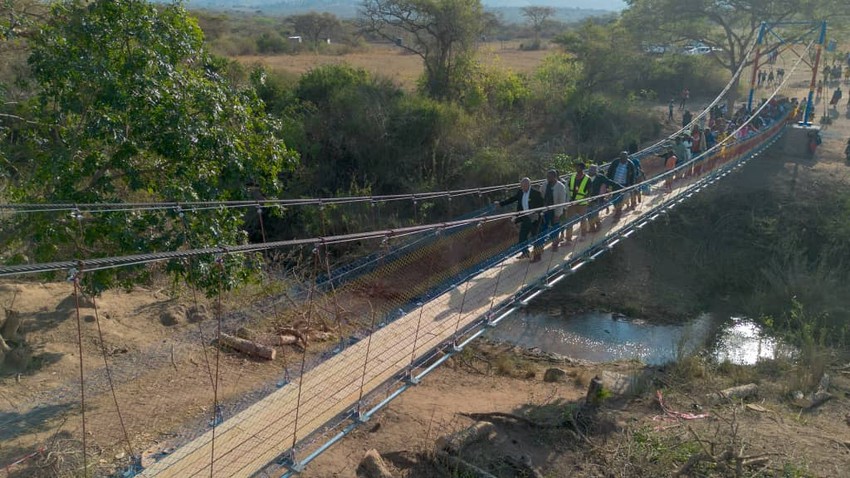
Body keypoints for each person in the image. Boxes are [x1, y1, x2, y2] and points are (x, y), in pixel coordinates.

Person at [497, 177, 543, 260]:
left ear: (529, 185)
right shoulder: (520, 192)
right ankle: (525, 253)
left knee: (535, 237)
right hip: (525, 218)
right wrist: (501, 204)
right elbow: (512, 199)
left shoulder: (536, 193)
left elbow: (542, 205)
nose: (523, 188)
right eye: (521, 186)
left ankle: (537, 256)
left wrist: (537, 214)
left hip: (534, 219)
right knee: (522, 237)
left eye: (524, 186)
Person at [536, 169, 567, 254]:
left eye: (549, 177)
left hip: (555, 210)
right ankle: (540, 247)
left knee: (555, 227)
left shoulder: (560, 186)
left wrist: (558, 214)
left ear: (554, 177)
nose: (547, 178)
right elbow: (540, 193)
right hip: (546, 210)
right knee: (543, 228)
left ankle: (555, 244)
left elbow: (561, 201)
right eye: (547, 177)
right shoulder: (545, 184)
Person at [587, 164, 618, 232]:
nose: (591, 171)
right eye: (590, 169)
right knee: (588, 214)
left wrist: (620, 187)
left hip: (597, 199)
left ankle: (598, 225)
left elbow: (609, 182)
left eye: (593, 169)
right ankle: (592, 227)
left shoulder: (600, 177)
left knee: (594, 214)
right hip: (586, 199)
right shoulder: (585, 177)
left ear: (596, 171)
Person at [564, 163, 591, 242]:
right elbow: (568, 188)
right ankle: (568, 239)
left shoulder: (587, 179)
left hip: (582, 204)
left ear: (582, 168)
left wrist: (580, 200)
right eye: (576, 167)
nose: (576, 168)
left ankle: (583, 235)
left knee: (583, 220)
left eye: (578, 167)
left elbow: (589, 193)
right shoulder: (572, 177)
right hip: (572, 203)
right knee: (569, 221)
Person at [606, 152, 637, 220]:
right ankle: (617, 211)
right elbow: (609, 171)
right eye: (622, 158)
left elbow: (632, 176)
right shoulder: (615, 162)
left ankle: (618, 214)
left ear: (627, 157)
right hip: (614, 184)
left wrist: (632, 185)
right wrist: (607, 182)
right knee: (614, 199)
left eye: (625, 158)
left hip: (623, 185)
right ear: (620, 157)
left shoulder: (630, 164)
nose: (623, 159)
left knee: (619, 199)